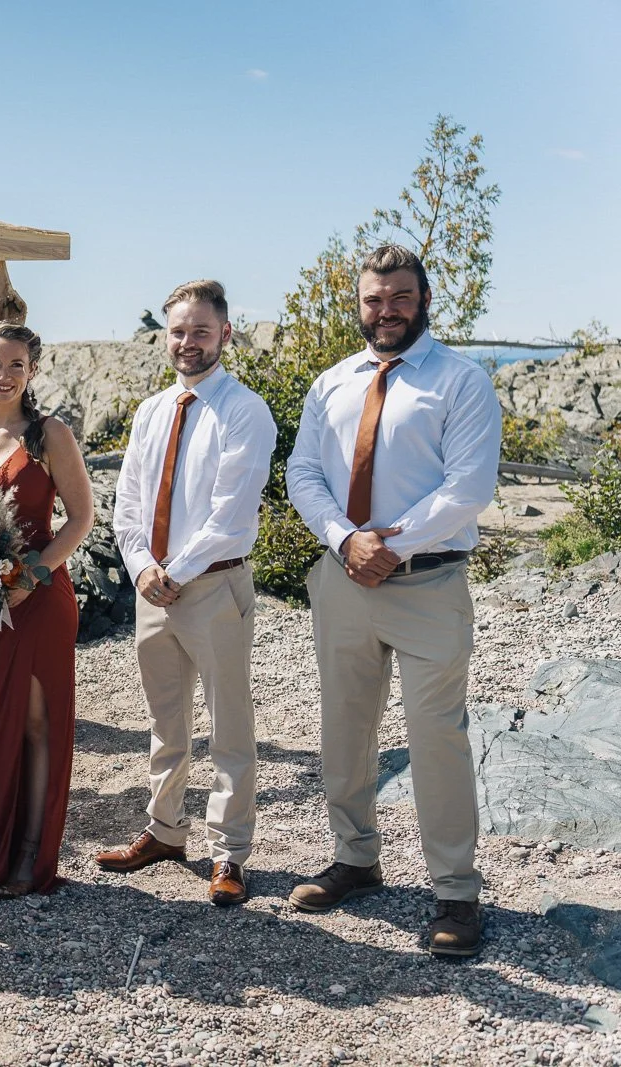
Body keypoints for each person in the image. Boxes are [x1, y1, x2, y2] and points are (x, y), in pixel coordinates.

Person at [285, 244, 501, 956]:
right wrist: (347, 540)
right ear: (359, 304)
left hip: (429, 584)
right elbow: (302, 472)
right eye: (374, 299)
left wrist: (388, 546)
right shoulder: (332, 383)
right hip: (342, 579)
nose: (386, 311)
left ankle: (456, 893)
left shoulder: (462, 381)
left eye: (400, 297)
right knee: (344, 728)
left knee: (437, 737)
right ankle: (355, 858)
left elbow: (468, 487)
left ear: (425, 299)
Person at [100, 280, 276, 906]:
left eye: (201, 330)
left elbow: (231, 512)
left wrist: (175, 571)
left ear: (225, 334)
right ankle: (165, 829)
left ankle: (229, 851)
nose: (188, 342)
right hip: (153, 587)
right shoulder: (151, 411)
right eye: (178, 331)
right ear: (165, 336)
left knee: (230, 722)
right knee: (164, 717)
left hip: (213, 584)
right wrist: (142, 568)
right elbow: (128, 501)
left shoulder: (246, 411)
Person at [0, 322, 94, 897]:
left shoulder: (49, 434)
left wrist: (30, 576)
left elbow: (81, 519)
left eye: (16, 365)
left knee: (34, 723)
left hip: (38, 599)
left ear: (32, 371)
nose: (3, 376)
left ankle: (29, 854)